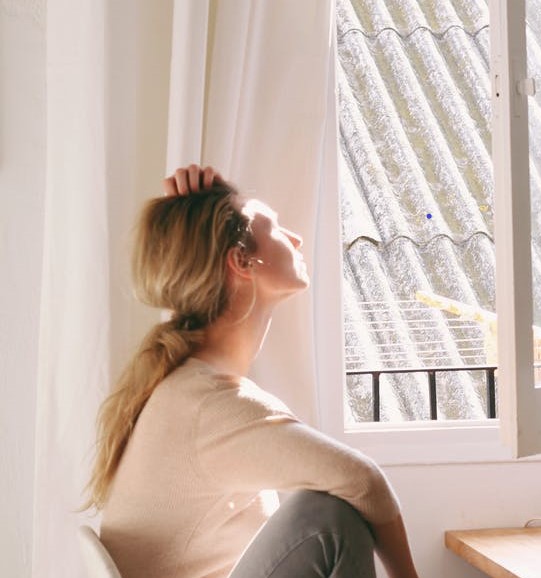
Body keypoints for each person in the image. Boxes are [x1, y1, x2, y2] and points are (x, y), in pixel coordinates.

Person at [82, 166, 420, 578]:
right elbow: (364, 482)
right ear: (242, 261)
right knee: (326, 516)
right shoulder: (208, 406)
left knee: (326, 506)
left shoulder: (191, 390)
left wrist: (203, 213)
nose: (295, 238)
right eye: (276, 228)